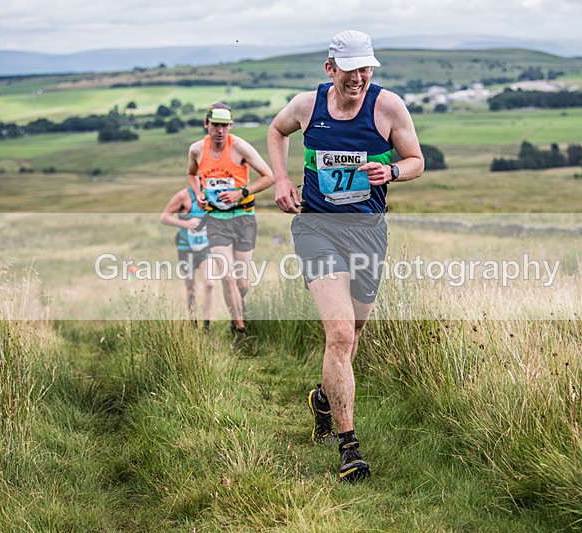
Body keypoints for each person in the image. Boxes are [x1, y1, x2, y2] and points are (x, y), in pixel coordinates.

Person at [267, 30, 424, 482]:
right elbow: (277, 131)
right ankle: (349, 447)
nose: (358, 77)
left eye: (366, 68)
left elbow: (416, 159)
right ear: (330, 68)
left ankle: (323, 397)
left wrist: (392, 170)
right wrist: (280, 180)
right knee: (338, 334)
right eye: (350, 68)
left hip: (368, 233)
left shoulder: (388, 106)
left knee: (353, 335)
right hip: (317, 228)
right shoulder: (307, 105)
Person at [187, 103, 274, 347]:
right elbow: (192, 174)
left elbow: (269, 177)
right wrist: (199, 194)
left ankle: (239, 306)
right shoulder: (196, 150)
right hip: (216, 220)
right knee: (226, 276)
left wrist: (240, 192)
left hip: (243, 217)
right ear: (207, 124)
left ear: (231, 126)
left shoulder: (240, 147)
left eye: (225, 126)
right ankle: (240, 330)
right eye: (215, 125)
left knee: (241, 281)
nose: (220, 131)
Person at [160, 186, 216, 330]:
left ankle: (206, 326)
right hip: (186, 248)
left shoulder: (212, 193)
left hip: (205, 247)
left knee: (210, 283)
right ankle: (193, 323)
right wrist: (185, 223)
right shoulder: (183, 196)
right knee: (191, 290)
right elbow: (164, 217)